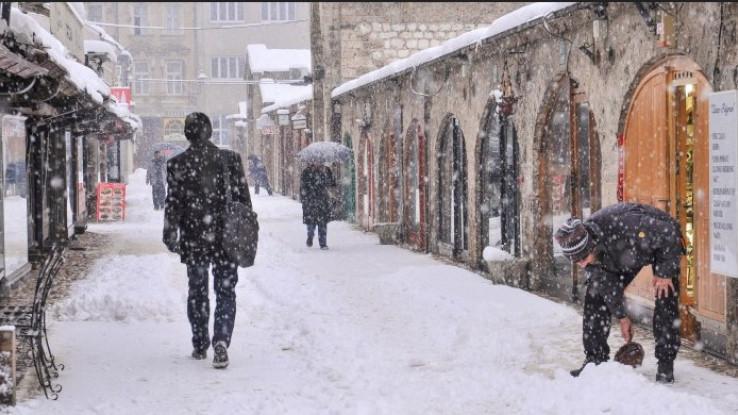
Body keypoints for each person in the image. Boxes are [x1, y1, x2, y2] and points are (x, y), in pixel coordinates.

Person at [555, 202, 685, 383]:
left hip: (659, 247)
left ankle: (665, 363)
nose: (583, 264)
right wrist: (622, 317)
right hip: (623, 255)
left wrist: (664, 273)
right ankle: (595, 360)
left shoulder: (628, 223)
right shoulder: (592, 257)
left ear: (591, 244)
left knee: (665, 295)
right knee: (595, 294)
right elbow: (608, 287)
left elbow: (669, 231)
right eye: (576, 261)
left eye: (583, 258)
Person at [163, 112, 252, 369]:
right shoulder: (230, 160)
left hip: (194, 237)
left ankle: (200, 342)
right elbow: (243, 202)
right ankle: (221, 339)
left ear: (187, 134)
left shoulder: (178, 164)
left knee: (197, 291)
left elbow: (173, 204)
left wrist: (170, 233)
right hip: (226, 237)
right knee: (225, 290)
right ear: (210, 132)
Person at [300, 162, 335, 250]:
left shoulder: (326, 170)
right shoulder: (306, 172)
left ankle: (323, 243)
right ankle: (310, 236)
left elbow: (332, 183)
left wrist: (329, 176)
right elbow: (303, 187)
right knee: (311, 223)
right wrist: (305, 199)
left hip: (322, 201)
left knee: (322, 223)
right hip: (310, 201)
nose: (317, 163)